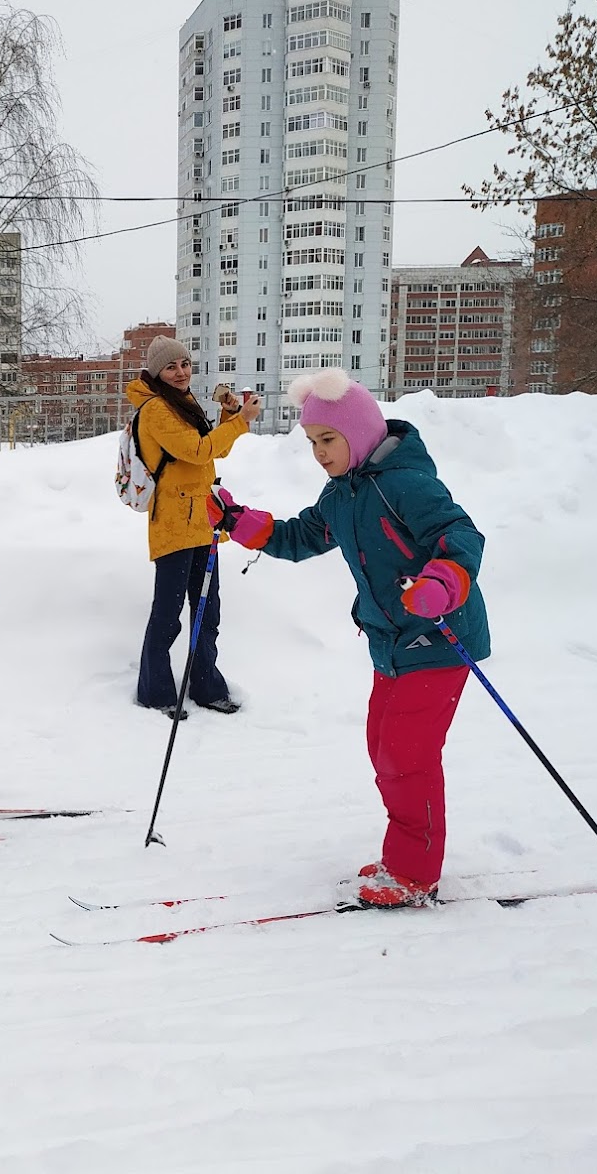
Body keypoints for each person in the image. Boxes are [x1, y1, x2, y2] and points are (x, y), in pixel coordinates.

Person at [220, 367, 489, 908]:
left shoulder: (406, 484)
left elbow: (460, 534)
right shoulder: (342, 494)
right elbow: (303, 535)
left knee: (405, 754)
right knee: (383, 748)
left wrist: (443, 581)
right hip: (389, 644)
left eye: (328, 439)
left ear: (360, 433)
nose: (319, 452)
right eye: (312, 442)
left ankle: (415, 870)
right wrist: (239, 522)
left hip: (438, 637)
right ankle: (404, 853)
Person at [127, 336, 261, 718]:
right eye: (171, 367)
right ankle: (156, 693)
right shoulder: (155, 410)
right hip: (172, 524)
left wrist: (229, 419)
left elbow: (213, 451)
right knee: (167, 615)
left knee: (207, 612)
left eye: (185, 363)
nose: (181, 372)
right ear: (156, 373)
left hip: (203, 520)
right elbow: (197, 450)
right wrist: (240, 424)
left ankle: (206, 686)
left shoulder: (182, 404)